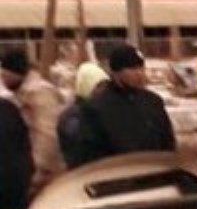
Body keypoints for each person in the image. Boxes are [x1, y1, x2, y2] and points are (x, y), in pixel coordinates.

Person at [78, 45, 176, 165]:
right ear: (116, 72)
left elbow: (167, 142)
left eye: (141, 68)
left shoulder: (153, 101)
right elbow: (91, 152)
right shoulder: (96, 107)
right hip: (119, 174)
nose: (140, 73)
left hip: (154, 171)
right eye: (132, 69)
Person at [1, 49, 66, 191]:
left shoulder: (40, 93)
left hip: (45, 177)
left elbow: (47, 135)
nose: (3, 80)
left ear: (15, 73)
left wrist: (34, 174)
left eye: (5, 75)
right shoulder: (23, 93)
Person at [57, 60, 110, 169]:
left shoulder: (104, 110)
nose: (104, 90)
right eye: (99, 86)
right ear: (87, 86)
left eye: (106, 85)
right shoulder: (73, 117)